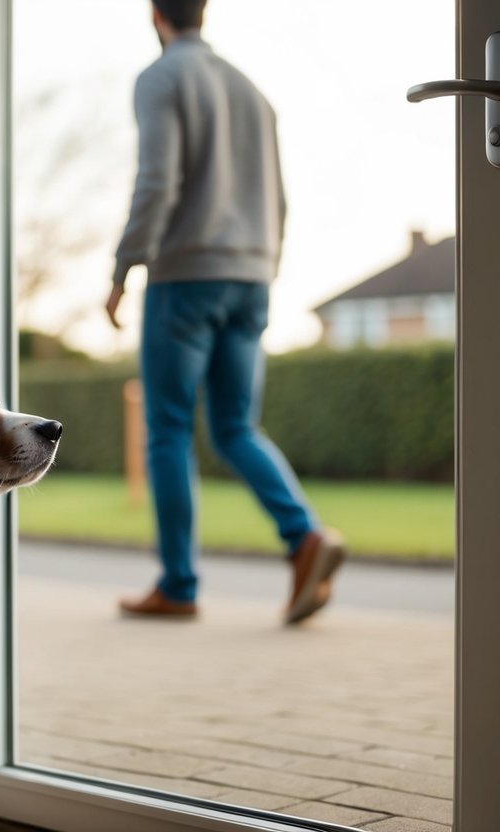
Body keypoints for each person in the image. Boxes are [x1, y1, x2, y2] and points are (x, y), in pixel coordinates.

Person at [106, 0, 345, 625]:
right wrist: (266, 266)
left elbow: (157, 180)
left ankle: (179, 586)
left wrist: (123, 267)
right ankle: (306, 536)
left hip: (187, 276)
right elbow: (281, 197)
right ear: (203, 12)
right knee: (238, 427)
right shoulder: (252, 90)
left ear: (156, 14)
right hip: (252, 276)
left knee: (168, 431)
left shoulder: (161, 77)